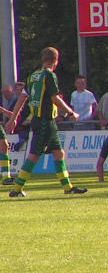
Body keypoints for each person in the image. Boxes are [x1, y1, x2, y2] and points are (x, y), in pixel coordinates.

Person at [5, 47, 88, 197]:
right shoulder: (49, 75)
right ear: (55, 61)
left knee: (59, 153)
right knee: (34, 156)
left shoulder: (32, 76)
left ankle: (68, 187)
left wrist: (13, 119)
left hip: (42, 121)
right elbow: (55, 98)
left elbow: (22, 99)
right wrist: (70, 112)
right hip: (45, 121)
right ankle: (16, 189)